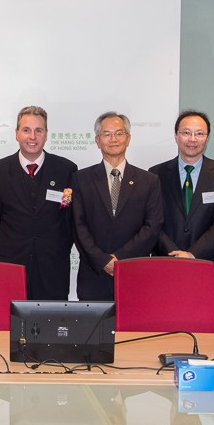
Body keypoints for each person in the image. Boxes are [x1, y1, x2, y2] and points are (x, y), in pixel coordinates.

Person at [0, 106, 78, 300]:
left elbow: (70, 221)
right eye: (26, 130)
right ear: (16, 134)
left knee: (53, 326)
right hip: (11, 265)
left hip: (53, 267)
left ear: (46, 135)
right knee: (9, 326)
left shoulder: (66, 169)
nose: (32, 137)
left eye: (39, 130)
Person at [72, 111, 163, 301]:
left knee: (135, 330)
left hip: (134, 273)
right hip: (93, 274)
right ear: (97, 140)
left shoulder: (149, 181)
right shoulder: (81, 179)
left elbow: (152, 227)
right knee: (93, 330)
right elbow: (77, 226)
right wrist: (103, 260)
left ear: (128, 138)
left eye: (119, 133)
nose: (113, 139)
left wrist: (120, 259)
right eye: (107, 134)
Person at [149, 110, 214, 290]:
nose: (192, 139)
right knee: (164, 316)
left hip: (204, 262)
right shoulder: (156, 174)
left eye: (199, 133)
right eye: (186, 133)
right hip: (164, 262)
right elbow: (152, 222)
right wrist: (175, 254)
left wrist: (192, 254)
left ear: (207, 137)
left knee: (201, 317)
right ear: (176, 136)